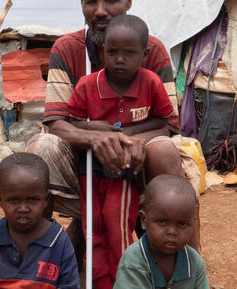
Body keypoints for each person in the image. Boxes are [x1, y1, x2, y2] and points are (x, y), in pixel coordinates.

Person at [26, 0, 201, 264]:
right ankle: (40, 260)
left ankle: (188, 266)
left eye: (110, 0)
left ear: (128, 1)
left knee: (164, 151)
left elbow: (168, 125)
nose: (100, 11)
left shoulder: (152, 50)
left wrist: (127, 140)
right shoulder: (66, 50)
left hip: (139, 156)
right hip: (86, 163)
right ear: (81, 5)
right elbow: (56, 123)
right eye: (91, 2)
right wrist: (96, 140)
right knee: (40, 149)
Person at [65, 15, 176, 289]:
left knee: (118, 228)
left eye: (129, 53)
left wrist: (129, 133)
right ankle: (99, 281)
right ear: (103, 51)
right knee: (93, 228)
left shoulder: (150, 83)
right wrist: (95, 128)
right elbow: (72, 121)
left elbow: (164, 122)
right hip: (89, 170)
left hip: (123, 171)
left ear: (144, 54)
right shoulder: (88, 85)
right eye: (112, 52)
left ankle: (125, 281)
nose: (119, 59)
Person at [0, 152, 79, 289]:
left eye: (32, 199)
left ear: (46, 200)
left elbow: (69, 285)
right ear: (0, 200)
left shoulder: (59, 241)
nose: (23, 208)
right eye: (13, 200)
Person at [115, 175, 208, 289]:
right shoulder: (133, 262)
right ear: (144, 220)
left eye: (182, 224)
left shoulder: (194, 262)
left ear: (192, 224)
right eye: (162, 221)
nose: (172, 232)